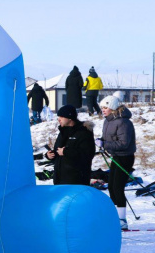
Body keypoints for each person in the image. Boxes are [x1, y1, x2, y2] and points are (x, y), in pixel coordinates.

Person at [98, 96, 136, 230]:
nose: (103, 110)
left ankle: (122, 220)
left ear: (113, 108)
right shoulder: (108, 121)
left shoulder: (124, 122)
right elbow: (107, 138)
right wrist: (100, 141)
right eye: (102, 107)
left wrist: (105, 143)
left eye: (106, 107)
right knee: (111, 187)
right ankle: (115, 217)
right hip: (116, 156)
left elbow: (123, 143)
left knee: (118, 188)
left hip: (125, 157)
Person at [44, 105, 95, 186]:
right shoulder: (63, 131)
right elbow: (59, 151)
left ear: (69, 118)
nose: (58, 119)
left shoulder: (83, 132)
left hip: (76, 180)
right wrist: (50, 155)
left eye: (61, 116)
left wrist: (65, 152)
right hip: (60, 178)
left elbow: (87, 154)